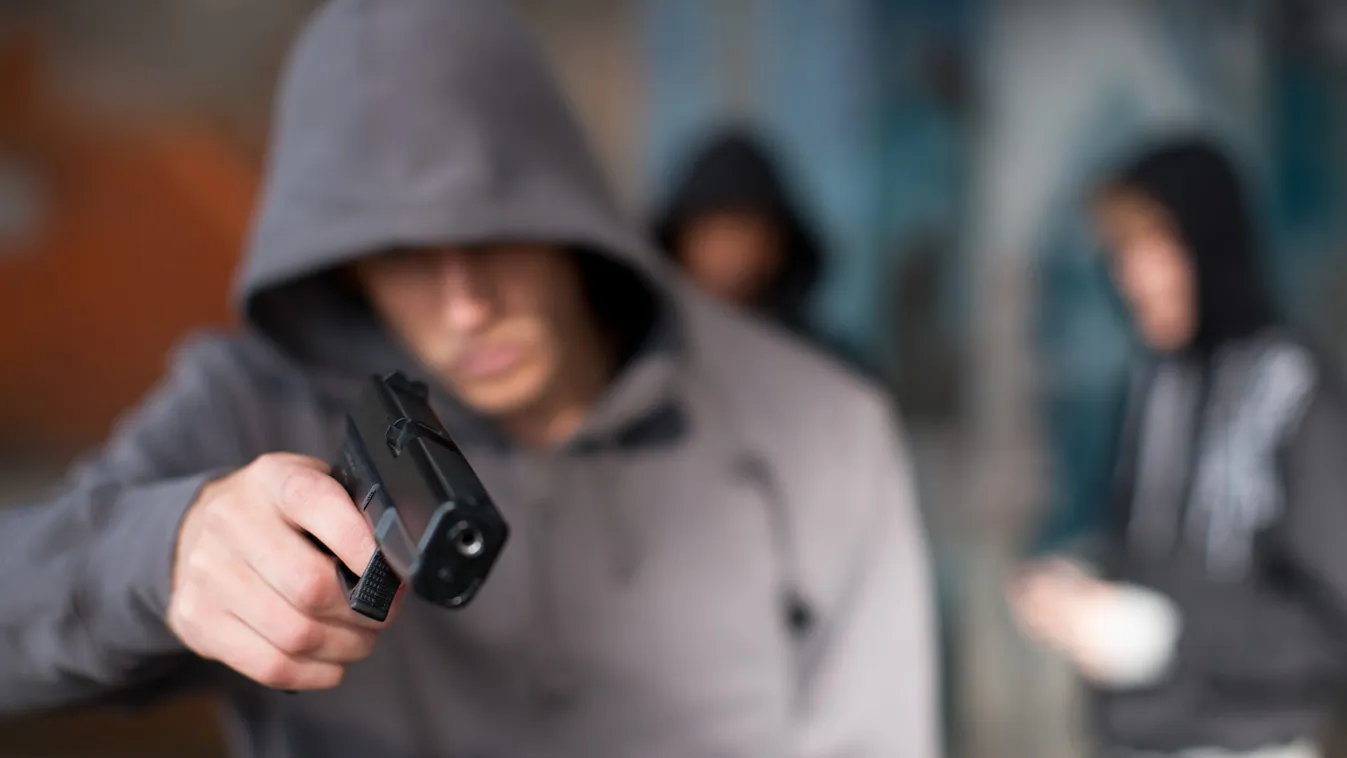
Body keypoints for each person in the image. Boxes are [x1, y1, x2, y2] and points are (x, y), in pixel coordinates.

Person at [0, 1, 939, 757]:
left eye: (495, 231)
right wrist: (155, 555)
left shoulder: (822, 424)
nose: (464, 305)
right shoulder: (252, 403)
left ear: (567, 207)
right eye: (398, 253)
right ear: (339, 263)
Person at [1009, 137, 1347, 758]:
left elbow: (1329, 623)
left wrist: (1164, 630)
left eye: (1151, 248)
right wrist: (1085, 588)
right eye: (1120, 251)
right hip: (1138, 736)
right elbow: (1147, 551)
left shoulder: (1293, 388)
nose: (1129, 275)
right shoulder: (1154, 383)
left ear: (1207, 242)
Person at [651, 129, 869, 373]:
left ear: (777, 245)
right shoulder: (651, 362)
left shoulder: (827, 365)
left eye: (740, 230)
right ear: (679, 244)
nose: (725, 254)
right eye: (710, 234)